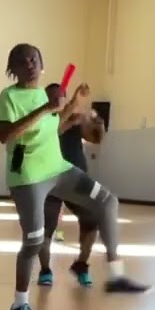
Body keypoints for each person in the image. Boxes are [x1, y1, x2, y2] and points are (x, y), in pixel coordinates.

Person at [0, 43, 149, 310]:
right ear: (12, 69)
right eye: (23, 61)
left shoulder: (43, 95)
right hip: (27, 176)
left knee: (107, 201)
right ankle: (19, 306)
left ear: (42, 65)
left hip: (58, 169)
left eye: (34, 59)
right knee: (33, 241)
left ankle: (116, 276)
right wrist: (45, 108)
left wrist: (68, 108)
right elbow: (6, 135)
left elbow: (53, 127)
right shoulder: (9, 96)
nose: (30, 64)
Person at [37, 82, 103, 287]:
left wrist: (97, 122)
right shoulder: (41, 120)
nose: (57, 100)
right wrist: (72, 109)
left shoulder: (75, 121)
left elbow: (96, 139)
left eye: (60, 97)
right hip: (50, 183)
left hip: (76, 181)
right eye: (53, 97)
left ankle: (81, 265)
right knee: (46, 229)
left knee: (92, 219)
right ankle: (45, 270)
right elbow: (54, 130)